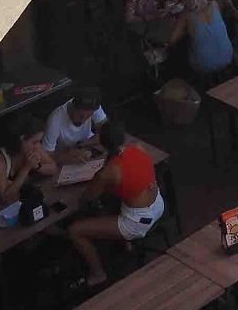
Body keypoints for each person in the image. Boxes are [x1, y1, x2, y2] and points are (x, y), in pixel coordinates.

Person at [65, 120, 165, 291]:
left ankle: (98, 274)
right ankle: (126, 243)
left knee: (74, 230)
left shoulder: (107, 172)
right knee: (115, 200)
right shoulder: (138, 148)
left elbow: (87, 198)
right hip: (157, 204)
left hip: (136, 222)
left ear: (103, 143)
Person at [0, 116, 56, 203]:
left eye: (39, 141)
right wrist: (27, 168)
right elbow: (5, 196)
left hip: (20, 200)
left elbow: (53, 168)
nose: (37, 146)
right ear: (21, 139)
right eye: (34, 142)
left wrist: (38, 167)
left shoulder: (34, 148)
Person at [167, 0, 234, 79]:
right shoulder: (215, 5)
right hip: (228, 56)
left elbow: (172, 40)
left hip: (205, 64)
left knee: (181, 50)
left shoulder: (186, 16)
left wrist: (182, 26)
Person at [43, 89, 108, 162]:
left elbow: (106, 132)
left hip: (86, 145)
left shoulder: (94, 107)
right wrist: (67, 157)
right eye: (80, 116)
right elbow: (47, 155)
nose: (83, 121)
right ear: (72, 107)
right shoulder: (55, 120)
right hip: (63, 154)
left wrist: (84, 144)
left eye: (88, 117)